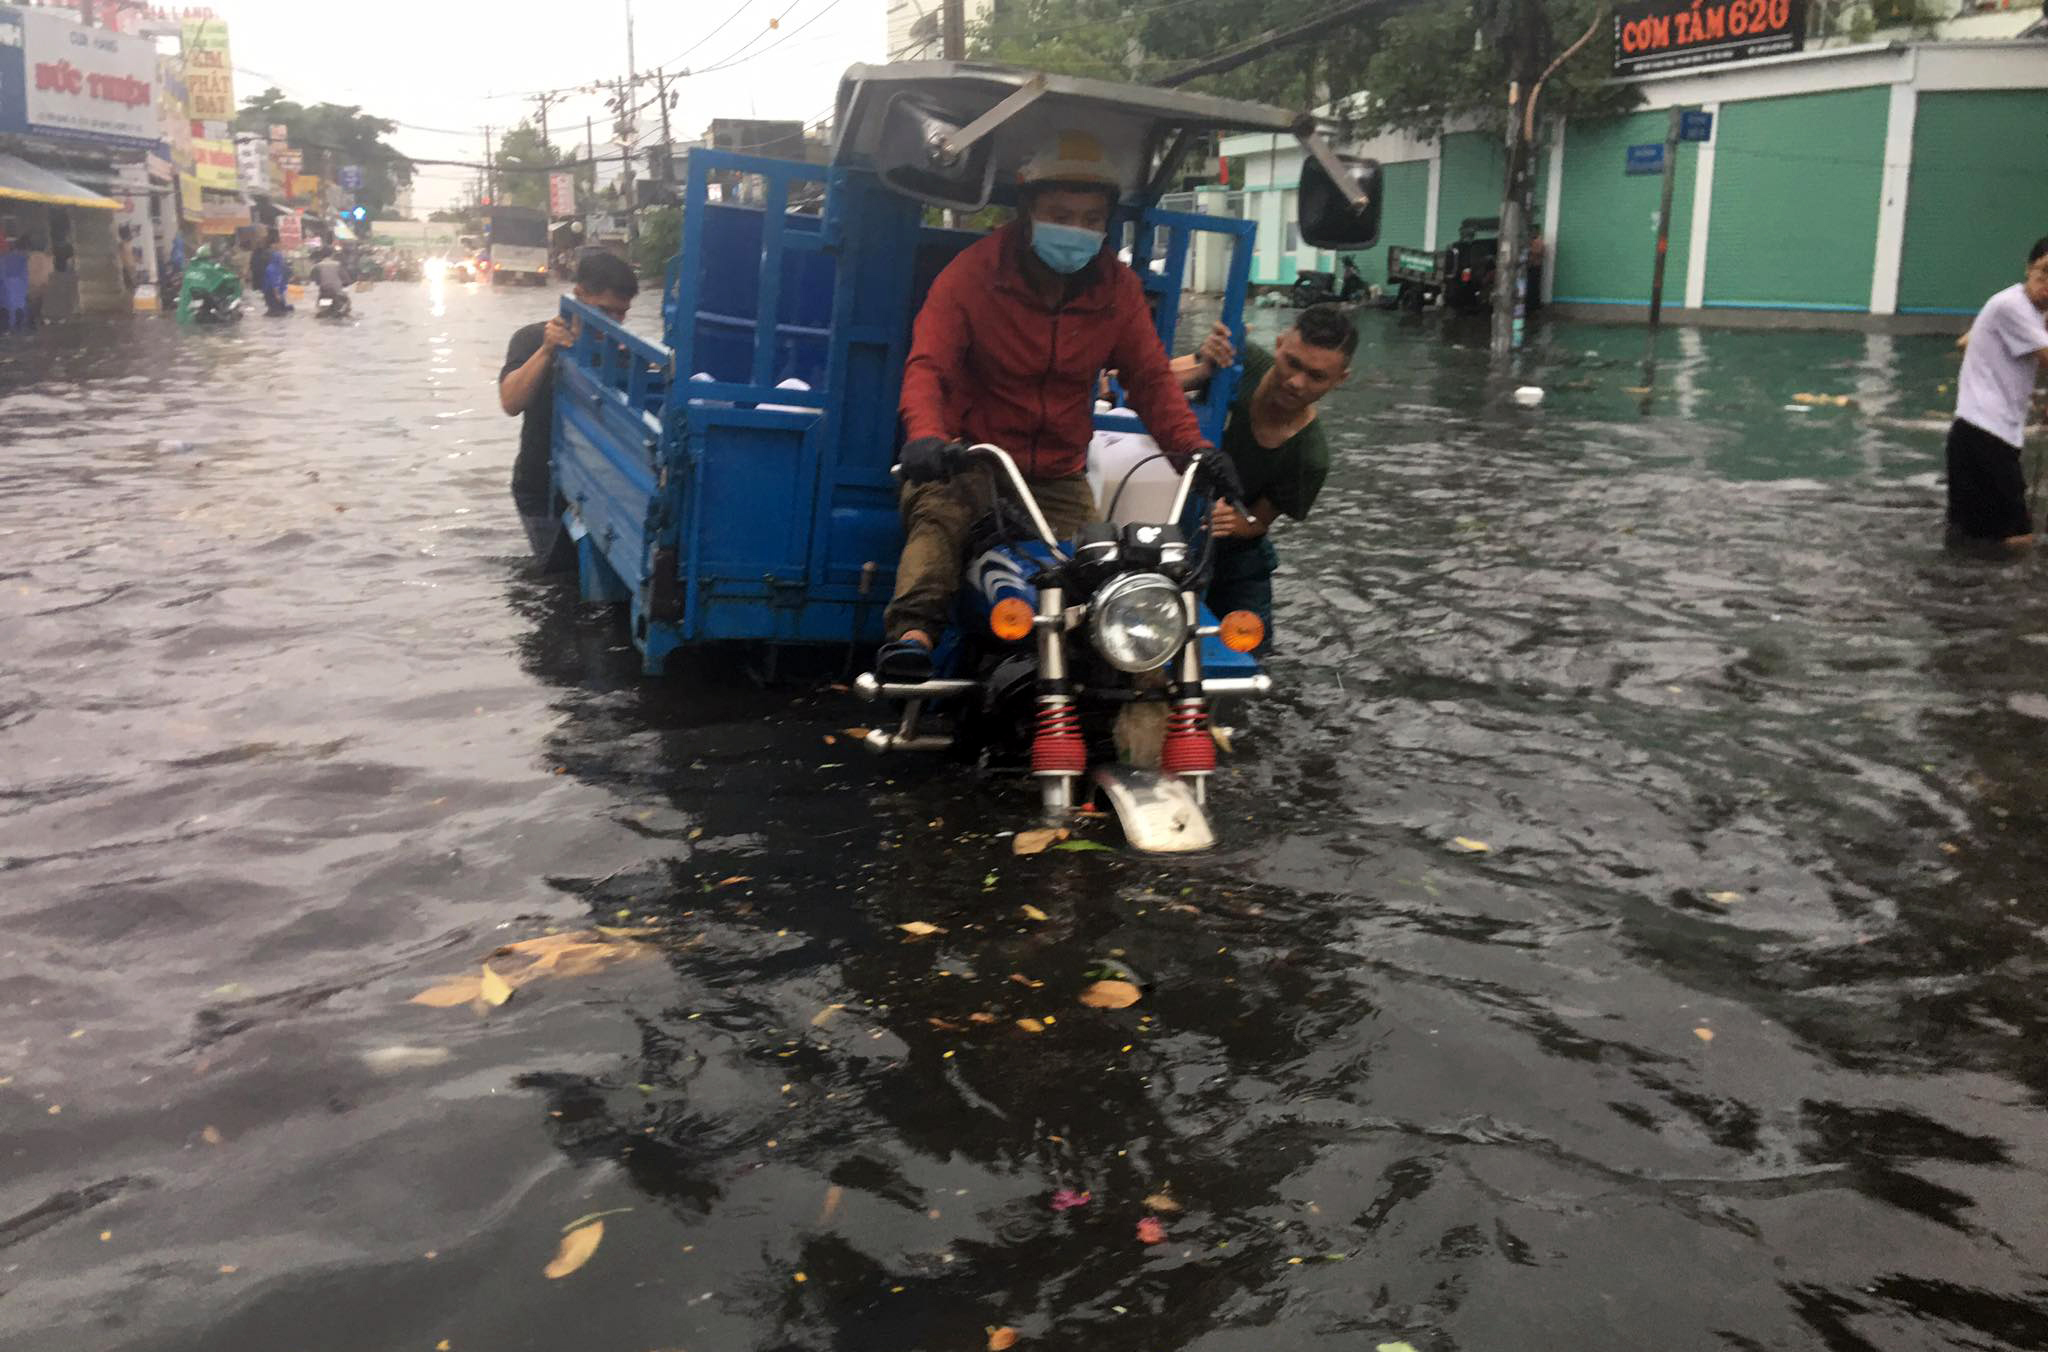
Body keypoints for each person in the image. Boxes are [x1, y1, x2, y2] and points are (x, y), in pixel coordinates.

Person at [877, 128, 1233, 680]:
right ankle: (912, 636)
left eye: (1092, 219)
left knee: (1099, 571)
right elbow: (929, 366)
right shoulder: (973, 275)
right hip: (972, 459)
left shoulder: (1116, 288)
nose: (1078, 229)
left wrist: (1195, 451)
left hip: (1058, 474)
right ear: (1027, 211)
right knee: (938, 518)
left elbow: (1151, 380)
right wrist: (925, 435)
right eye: (1061, 214)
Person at [1170, 304, 1354, 646]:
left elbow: (1258, 521)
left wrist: (1234, 522)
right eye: (1292, 363)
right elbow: (1150, 385)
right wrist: (1205, 369)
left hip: (1235, 557)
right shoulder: (1238, 362)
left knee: (1248, 654)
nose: (1296, 383)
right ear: (1280, 344)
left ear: (1340, 379)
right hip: (1171, 518)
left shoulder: (1309, 456)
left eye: (1316, 377)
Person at [498, 249, 641, 564]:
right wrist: (548, 351)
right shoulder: (531, 339)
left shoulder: (623, 354)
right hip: (539, 488)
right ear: (579, 296)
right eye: (605, 312)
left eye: (622, 314)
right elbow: (511, 401)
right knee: (556, 578)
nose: (615, 323)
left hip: (600, 491)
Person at [1947, 236, 2048, 551]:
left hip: (1978, 433)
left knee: (1971, 539)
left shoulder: (2025, 311)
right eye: (2044, 273)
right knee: (2019, 537)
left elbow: (1964, 342)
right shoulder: (2012, 306)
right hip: (1986, 436)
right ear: (2028, 269)